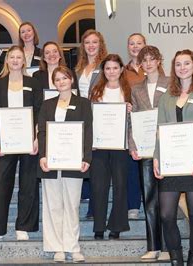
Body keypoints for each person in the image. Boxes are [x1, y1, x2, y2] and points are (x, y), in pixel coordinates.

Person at [153, 49, 193, 266]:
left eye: (186, 63)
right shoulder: (167, 97)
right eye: (178, 64)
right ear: (173, 68)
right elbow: (160, 129)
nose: (182, 67)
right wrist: (157, 157)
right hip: (171, 164)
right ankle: (176, 260)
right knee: (167, 215)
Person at [38, 66, 92, 262]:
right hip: (50, 162)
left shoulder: (84, 104)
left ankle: (73, 246)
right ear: (54, 83)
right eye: (57, 79)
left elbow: (88, 132)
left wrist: (86, 158)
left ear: (71, 80)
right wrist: (42, 156)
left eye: (64, 78)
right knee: (53, 205)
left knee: (71, 205)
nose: (61, 82)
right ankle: (57, 247)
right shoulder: (47, 105)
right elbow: (42, 132)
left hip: (74, 161)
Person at [0, 46, 42, 241]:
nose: (15, 60)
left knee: (28, 184)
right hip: (6, 142)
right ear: (7, 60)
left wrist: (37, 138)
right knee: (2, 184)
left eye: (19, 57)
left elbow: (39, 111)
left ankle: (24, 227)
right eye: (12, 57)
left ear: (23, 61)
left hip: (29, 141)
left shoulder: (33, 83)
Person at [127, 45, 169, 261]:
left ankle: (171, 246)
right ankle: (153, 247)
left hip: (169, 149)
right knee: (149, 199)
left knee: (168, 199)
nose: (149, 63)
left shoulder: (171, 83)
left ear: (159, 60)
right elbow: (133, 121)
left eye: (153, 58)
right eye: (145, 60)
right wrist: (132, 145)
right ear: (140, 64)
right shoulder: (136, 89)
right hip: (145, 150)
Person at [89, 54, 131, 240]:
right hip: (99, 146)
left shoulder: (129, 91)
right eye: (108, 68)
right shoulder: (96, 91)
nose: (111, 71)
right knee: (99, 186)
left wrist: (131, 110)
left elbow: (136, 118)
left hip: (121, 146)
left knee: (121, 185)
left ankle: (117, 226)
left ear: (121, 69)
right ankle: (99, 226)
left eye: (115, 68)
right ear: (103, 71)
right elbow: (90, 117)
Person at [74, 29, 108, 219]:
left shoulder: (106, 66)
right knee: (84, 157)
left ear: (100, 44)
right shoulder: (79, 68)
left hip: (100, 118)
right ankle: (85, 195)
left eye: (95, 42)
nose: (91, 46)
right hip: (81, 117)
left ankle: (95, 208)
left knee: (97, 165)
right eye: (87, 42)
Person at [125, 33, 146, 220]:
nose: (135, 46)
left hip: (149, 124)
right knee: (132, 165)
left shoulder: (155, 68)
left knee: (148, 165)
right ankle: (133, 205)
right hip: (131, 123)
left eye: (139, 43)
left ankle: (150, 203)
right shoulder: (123, 71)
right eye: (132, 43)